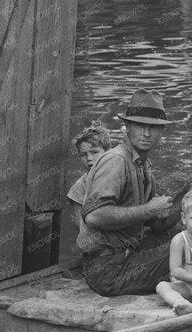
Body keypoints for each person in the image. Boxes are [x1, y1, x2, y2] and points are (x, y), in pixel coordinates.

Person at [77, 89, 185, 297]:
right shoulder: (116, 161)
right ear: (127, 127)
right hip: (108, 270)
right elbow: (93, 217)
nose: (146, 133)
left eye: (153, 127)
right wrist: (147, 210)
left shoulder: (142, 164)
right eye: (139, 125)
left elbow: (158, 224)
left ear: (161, 131)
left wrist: (186, 193)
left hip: (123, 256)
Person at [66, 125, 112, 209]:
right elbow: (80, 222)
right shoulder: (78, 189)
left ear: (108, 152)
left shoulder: (123, 174)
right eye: (83, 155)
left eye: (94, 152)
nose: (89, 159)